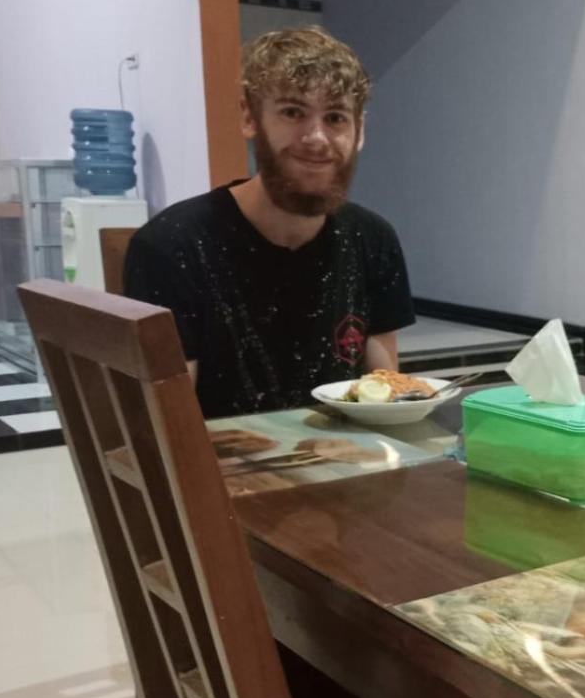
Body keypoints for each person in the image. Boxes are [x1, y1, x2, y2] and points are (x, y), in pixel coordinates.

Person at [124, 26, 414, 418]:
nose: (316, 138)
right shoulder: (172, 247)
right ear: (249, 117)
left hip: (347, 451)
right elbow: (170, 423)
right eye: (293, 112)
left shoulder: (373, 239)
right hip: (220, 455)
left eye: (335, 117)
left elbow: (383, 391)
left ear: (359, 131)